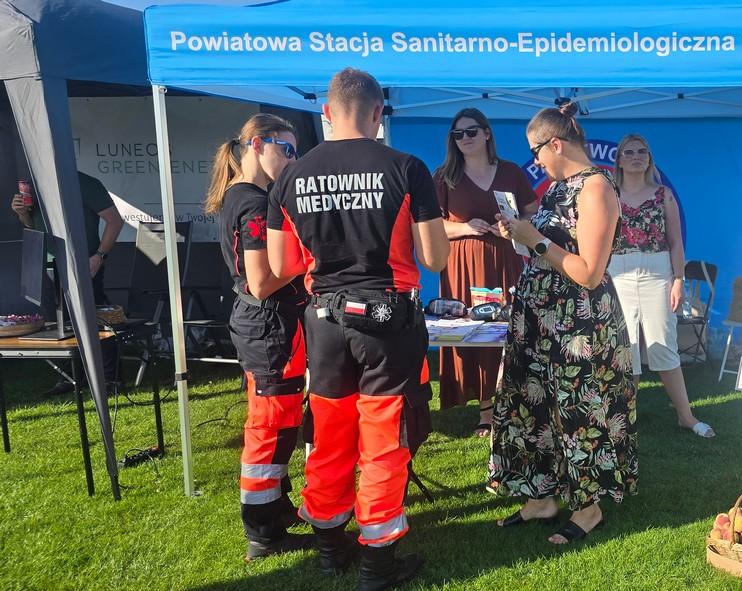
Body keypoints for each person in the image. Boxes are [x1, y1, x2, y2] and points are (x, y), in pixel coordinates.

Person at [266, 67, 448, 590]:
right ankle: (378, 561)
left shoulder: (290, 177)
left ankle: (330, 545)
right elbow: (434, 257)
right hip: (386, 320)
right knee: (384, 436)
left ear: (326, 112)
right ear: (378, 113)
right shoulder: (406, 167)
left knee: (328, 432)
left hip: (323, 320)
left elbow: (280, 265)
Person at [490, 102, 637, 545]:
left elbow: (588, 272)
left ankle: (588, 508)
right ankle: (541, 497)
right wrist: (519, 235)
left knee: (578, 409)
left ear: (555, 143)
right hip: (541, 317)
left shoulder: (596, 188)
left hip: (579, 322)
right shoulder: (557, 188)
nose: (534, 162)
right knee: (533, 407)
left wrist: (534, 240)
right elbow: (549, 249)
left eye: (535, 152)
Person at [206, 113, 313, 561]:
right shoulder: (251, 202)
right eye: (285, 149)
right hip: (268, 323)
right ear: (256, 144)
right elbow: (261, 281)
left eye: (295, 151)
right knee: (270, 428)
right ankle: (263, 533)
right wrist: (308, 259)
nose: (291, 159)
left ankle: (277, 508)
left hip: (266, 324)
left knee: (280, 423)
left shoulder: (244, 195)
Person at [434, 107, 538, 437]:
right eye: (458, 134)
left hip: (505, 259)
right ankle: (486, 409)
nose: (464, 138)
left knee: (508, 330)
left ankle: (517, 400)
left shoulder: (510, 172)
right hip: (463, 265)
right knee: (472, 331)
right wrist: (465, 227)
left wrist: (514, 225)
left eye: (471, 132)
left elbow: (533, 213)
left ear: (487, 133)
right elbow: (431, 226)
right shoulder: (445, 176)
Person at [609, 133, 713, 438]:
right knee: (625, 348)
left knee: (665, 346)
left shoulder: (663, 195)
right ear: (619, 159)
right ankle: (624, 418)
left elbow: (676, 241)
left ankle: (686, 416)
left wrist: (678, 279)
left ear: (649, 158)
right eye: (629, 152)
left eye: (642, 152)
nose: (636, 157)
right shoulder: (608, 194)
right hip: (618, 274)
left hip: (658, 273)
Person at [11, 171, 123, 394]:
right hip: (49, 262)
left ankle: (109, 378)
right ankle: (70, 377)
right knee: (57, 321)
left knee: (94, 319)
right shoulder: (35, 185)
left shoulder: (85, 183)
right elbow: (33, 226)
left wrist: (99, 256)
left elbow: (115, 221)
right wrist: (22, 213)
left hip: (83, 263)